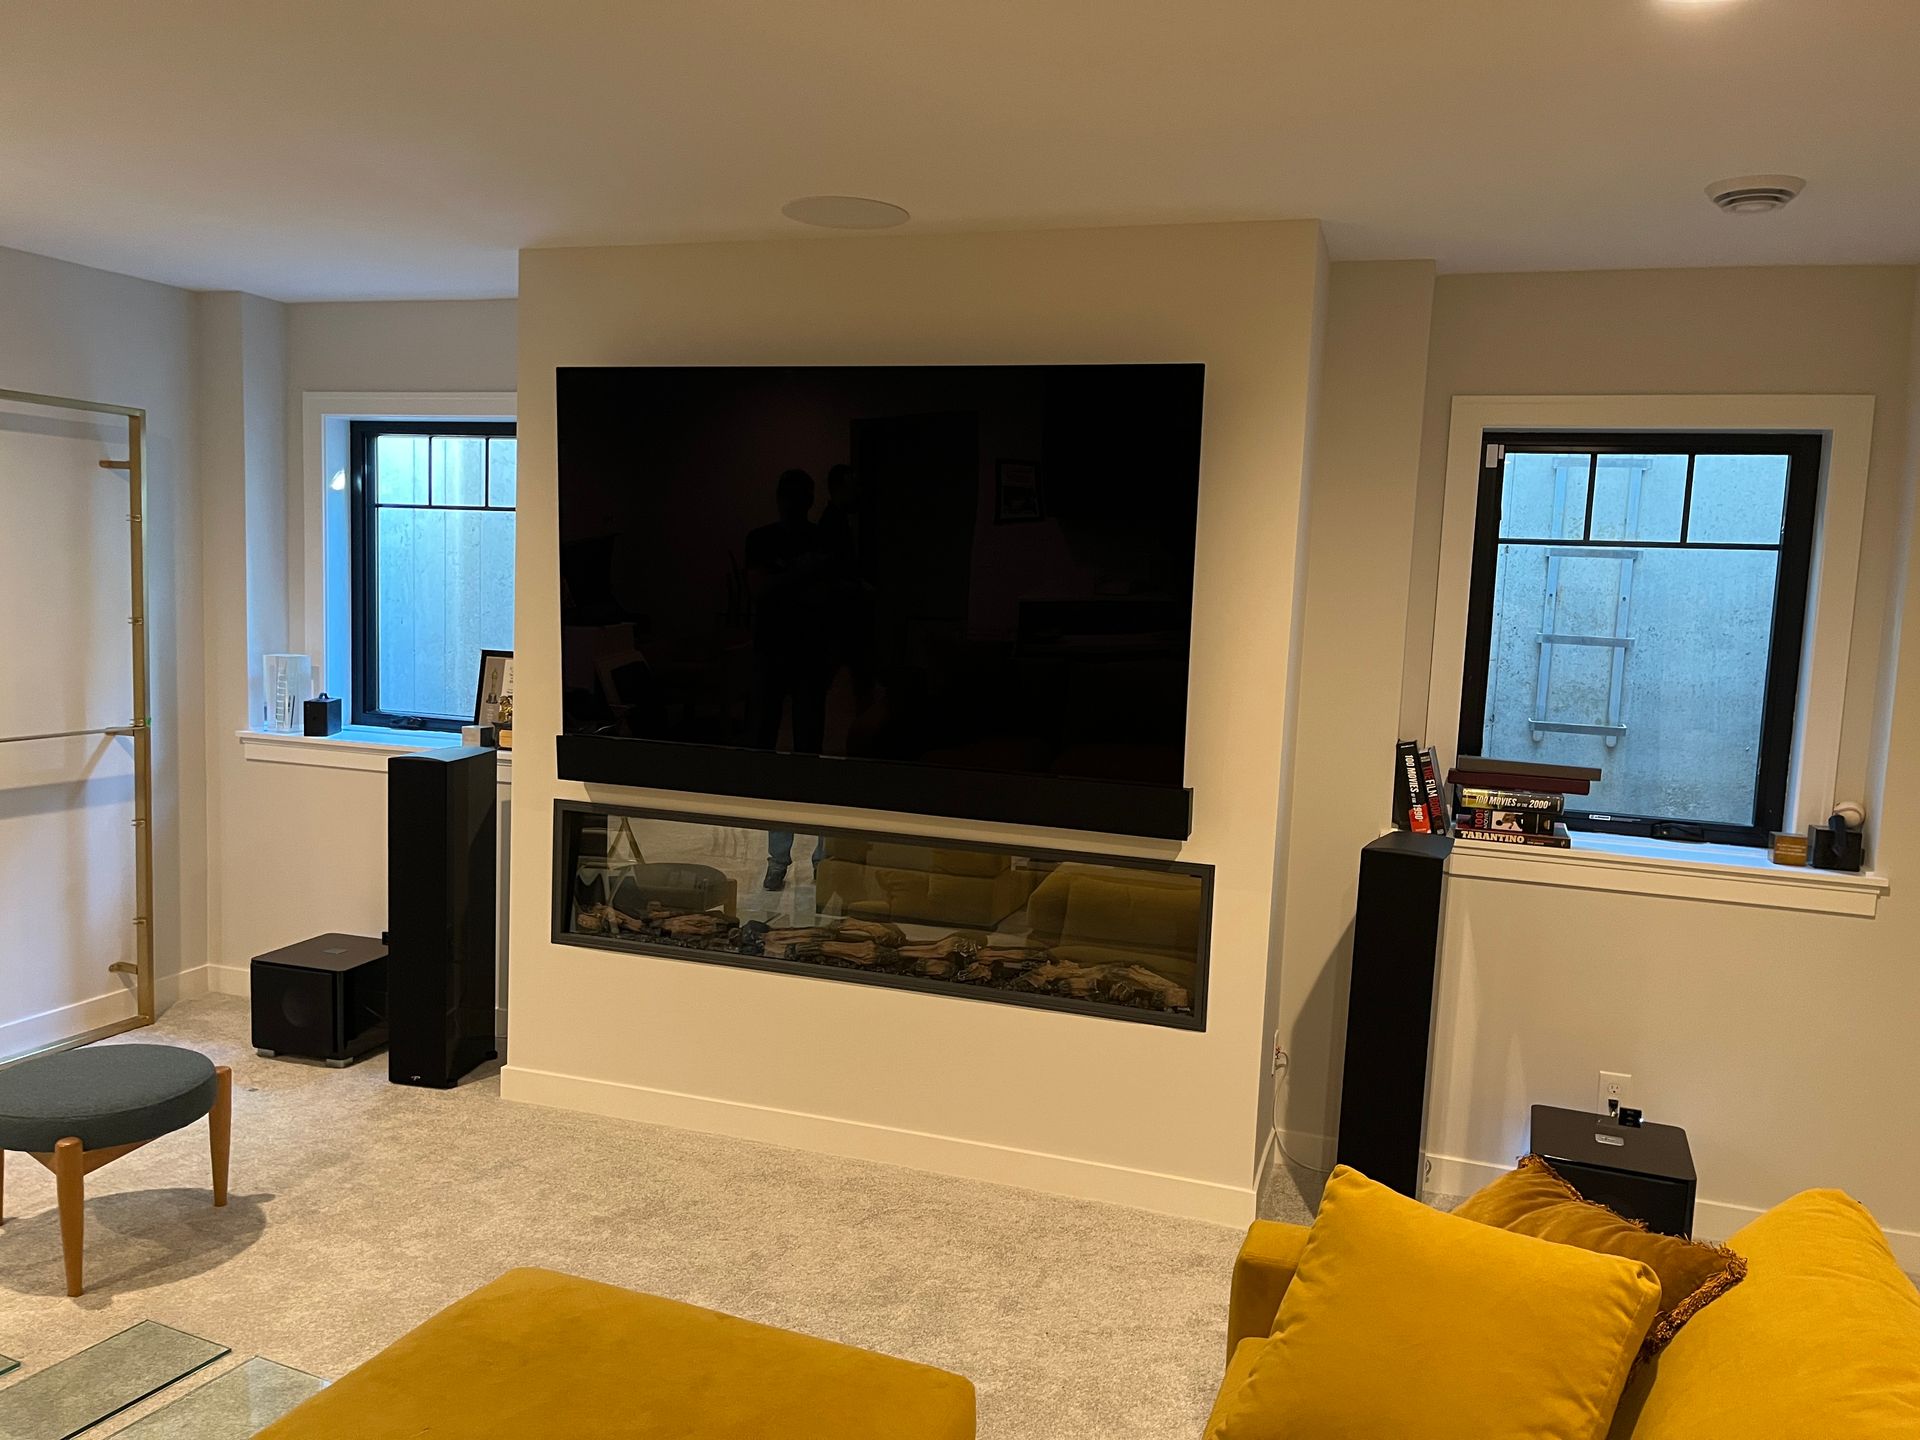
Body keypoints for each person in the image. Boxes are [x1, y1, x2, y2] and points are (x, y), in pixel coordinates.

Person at [746, 469, 833, 889]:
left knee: (805, 757)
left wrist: (786, 581)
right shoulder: (764, 539)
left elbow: (827, 596)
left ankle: (794, 861)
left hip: (807, 654)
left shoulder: (821, 540)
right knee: (773, 758)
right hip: (777, 653)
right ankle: (784, 860)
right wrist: (801, 576)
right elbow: (761, 591)